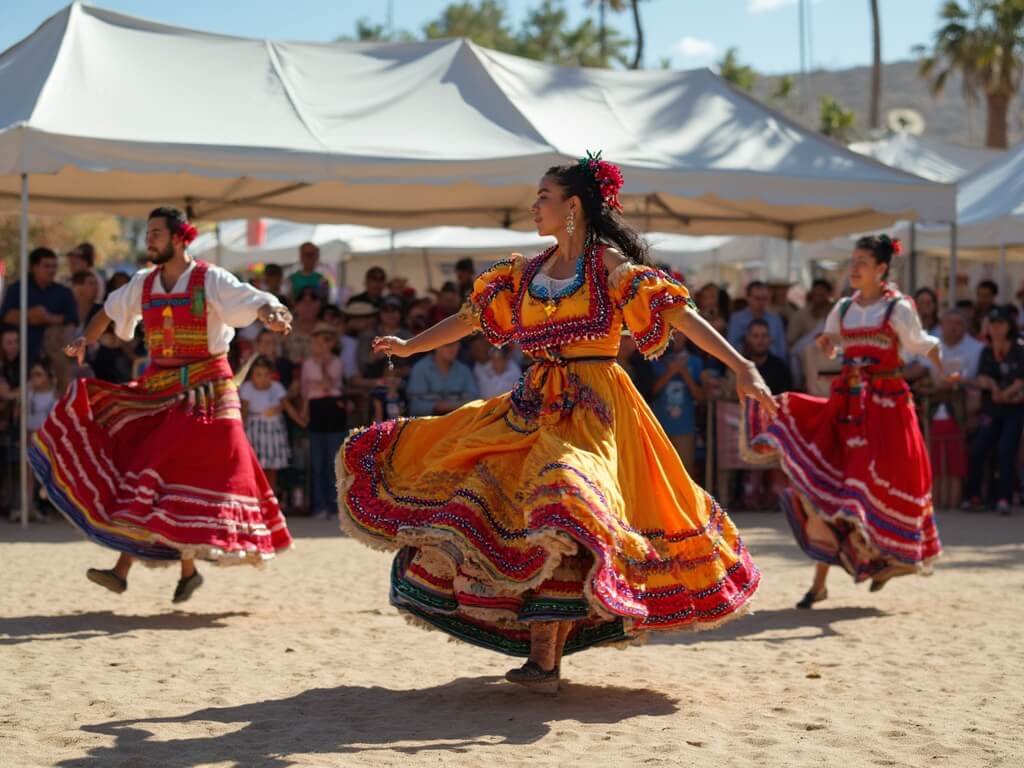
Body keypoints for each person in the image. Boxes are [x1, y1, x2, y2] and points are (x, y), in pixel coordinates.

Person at [339, 152, 773, 693]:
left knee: (566, 497)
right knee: (496, 495)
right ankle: (544, 656)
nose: (534, 205)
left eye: (543, 196)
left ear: (573, 206)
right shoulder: (525, 273)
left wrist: (743, 365)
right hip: (533, 406)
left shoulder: (607, 266)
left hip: (594, 410)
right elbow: (470, 319)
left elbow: (680, 314)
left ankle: (546, 656)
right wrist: (410, 346)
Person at [28, 207, 294, 602]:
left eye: (155, 233)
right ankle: (175, 572)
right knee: (151, 472)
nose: (148, 239)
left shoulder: (211, 279)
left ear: (180, 238)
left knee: (165, 470)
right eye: (148, 233)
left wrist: (271, 312)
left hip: (209, 389)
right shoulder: (143, 284)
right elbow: (107, 311)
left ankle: (131, 570)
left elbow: (253, 299)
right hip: (160, 387)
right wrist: (87, 339)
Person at [744, 235, 945, 608]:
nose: (854, 268)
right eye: (853, 261)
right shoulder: (845, 307)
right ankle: (826, 582)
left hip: (886, 410)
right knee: (832, 490)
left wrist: (945, 368)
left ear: (882, 268)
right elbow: (833, 342)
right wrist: (828, 344)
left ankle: (890, 563)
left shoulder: (898, 308)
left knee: (859, 493)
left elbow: (920, 343)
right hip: (847, 408)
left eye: (863, 261)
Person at [964, 306, 1024, 516]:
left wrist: (1005, 393)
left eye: (1001, 324)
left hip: (1015, 410)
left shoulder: (1019, 349)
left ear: (1009, 326)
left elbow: (1020, 380)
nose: (997, 329)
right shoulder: (987, 351)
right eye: (993, 324)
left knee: (1007, 450)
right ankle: (974, 495)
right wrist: (992, 387)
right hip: (992, 408)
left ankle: (1003, 498)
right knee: (979, 447)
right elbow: (982, 377)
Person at [0, 247, 78, 366]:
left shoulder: (64, 293)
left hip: (54, 355)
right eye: (47, 266)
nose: (52, 270)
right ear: (34, 267)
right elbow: (6, 316)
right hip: (20, 353)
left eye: (54, 266)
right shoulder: (17, 289)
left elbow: (72, 318)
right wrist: (29, 315)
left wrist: (49, 318)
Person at [241, 355, 305, 495]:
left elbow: (287, 406)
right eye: (258, 374)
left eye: (266, 374)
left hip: (273, 432)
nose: (262, 378)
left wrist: (301, 421)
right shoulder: (247, 388)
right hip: (255, 431)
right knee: (256, 467)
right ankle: (256, 499)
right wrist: (240, 431)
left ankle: (271, 497)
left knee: (272, 468)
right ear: (252, 376)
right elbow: (244, 411)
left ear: (271, 375)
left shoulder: (276, 387)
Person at [301, 322, 347, 519]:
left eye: (323, 342)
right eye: (316, 342)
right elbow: (305, 390)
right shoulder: (307, 363)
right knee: (317, 461)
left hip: (333, 408)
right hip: (316, 409)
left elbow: (330, 384)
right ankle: (319, 505)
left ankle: (334, 505)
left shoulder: (336, 362)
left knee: (333, 460)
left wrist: (322, 366)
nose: (319, 346)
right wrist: (304, 412)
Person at [649, 333, 704, 472]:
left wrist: (684, 372)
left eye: (680, 333)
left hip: (685, 428)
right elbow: (651, 392)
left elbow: (701, 397)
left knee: (685, 472)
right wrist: (672, 371)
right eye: (672, 333)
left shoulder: (695, 362)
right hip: (659, 428)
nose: (676, 337)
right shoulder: (653, 359)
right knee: (659, 473)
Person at [406, 340, 478, 416]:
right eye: (449, 344)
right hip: (429, 424)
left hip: (459, 423)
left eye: (456, 344)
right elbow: (415, 407)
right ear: (436, 346)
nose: (454, 349)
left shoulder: (464, 370)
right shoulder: (420, 368)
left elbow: (474, 401)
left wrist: (444, 406)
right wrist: (443, 406)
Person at [727, 281, 787, 360]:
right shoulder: (736, 319)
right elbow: (731, 349)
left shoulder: (775, 320)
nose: (761, 302)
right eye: (757, 298)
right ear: (748, 298)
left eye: (764, 298)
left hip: (772, 366)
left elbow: (782, 351)